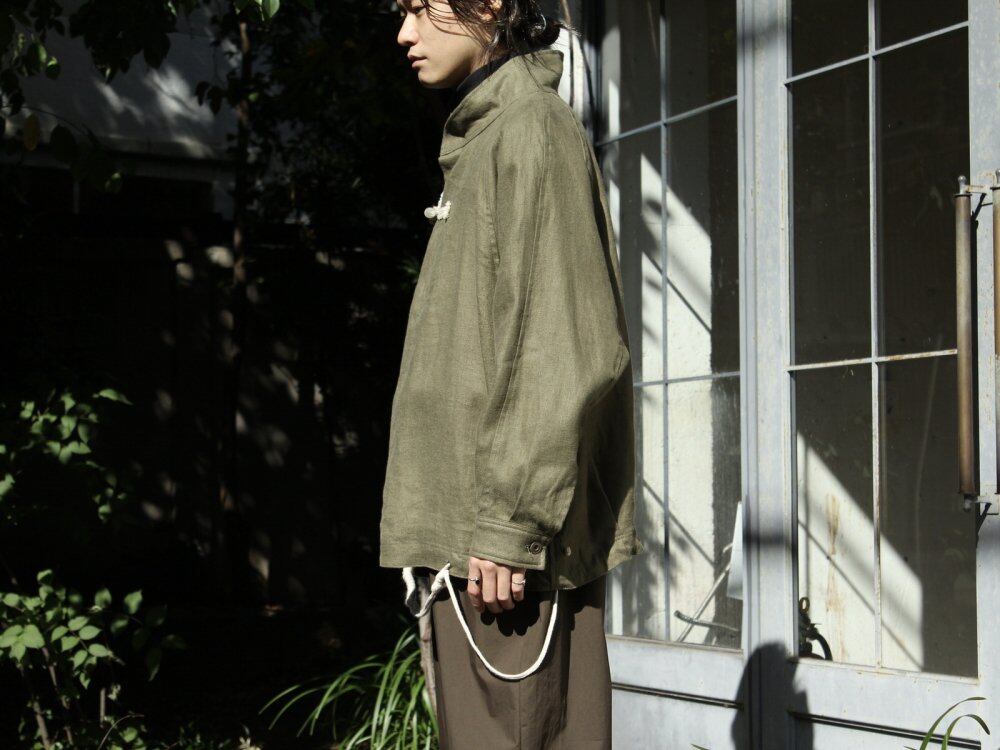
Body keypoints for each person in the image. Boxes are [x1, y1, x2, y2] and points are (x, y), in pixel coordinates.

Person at [380, 1, 642, 747]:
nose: (404, 33)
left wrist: (510, 525)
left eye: (420, 7)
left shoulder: (531, 131)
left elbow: (562, 344)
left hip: (503, 556)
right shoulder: (490, 134)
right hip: (478, 547)